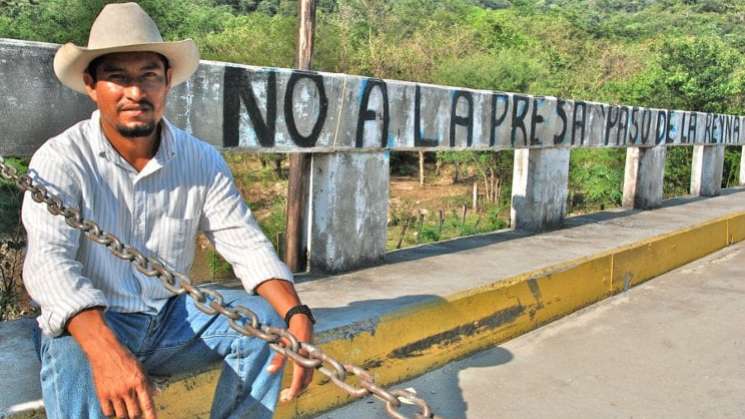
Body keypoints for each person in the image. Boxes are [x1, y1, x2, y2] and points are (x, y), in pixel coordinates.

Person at [21, 3, 314, 419]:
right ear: (91, 84)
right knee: (72, 351)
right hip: (98, 320)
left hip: (174, 320)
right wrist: (106, 350)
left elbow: (245, 243)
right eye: (117, 78)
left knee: (266, 323)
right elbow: (48, 264)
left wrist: (296, 313)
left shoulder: (201, 160)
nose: (135, 93)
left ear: (167, 81)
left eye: (148, 77)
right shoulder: (61, 159)